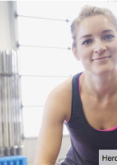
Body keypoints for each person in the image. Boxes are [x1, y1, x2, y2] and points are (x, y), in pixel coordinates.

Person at [34, 5, 117, 165]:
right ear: (76, 52)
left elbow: (105, 159)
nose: (99, 48)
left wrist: (108, 159)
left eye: (107, 37)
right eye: (87, 41)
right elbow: (43, 161)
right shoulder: (61, 97)